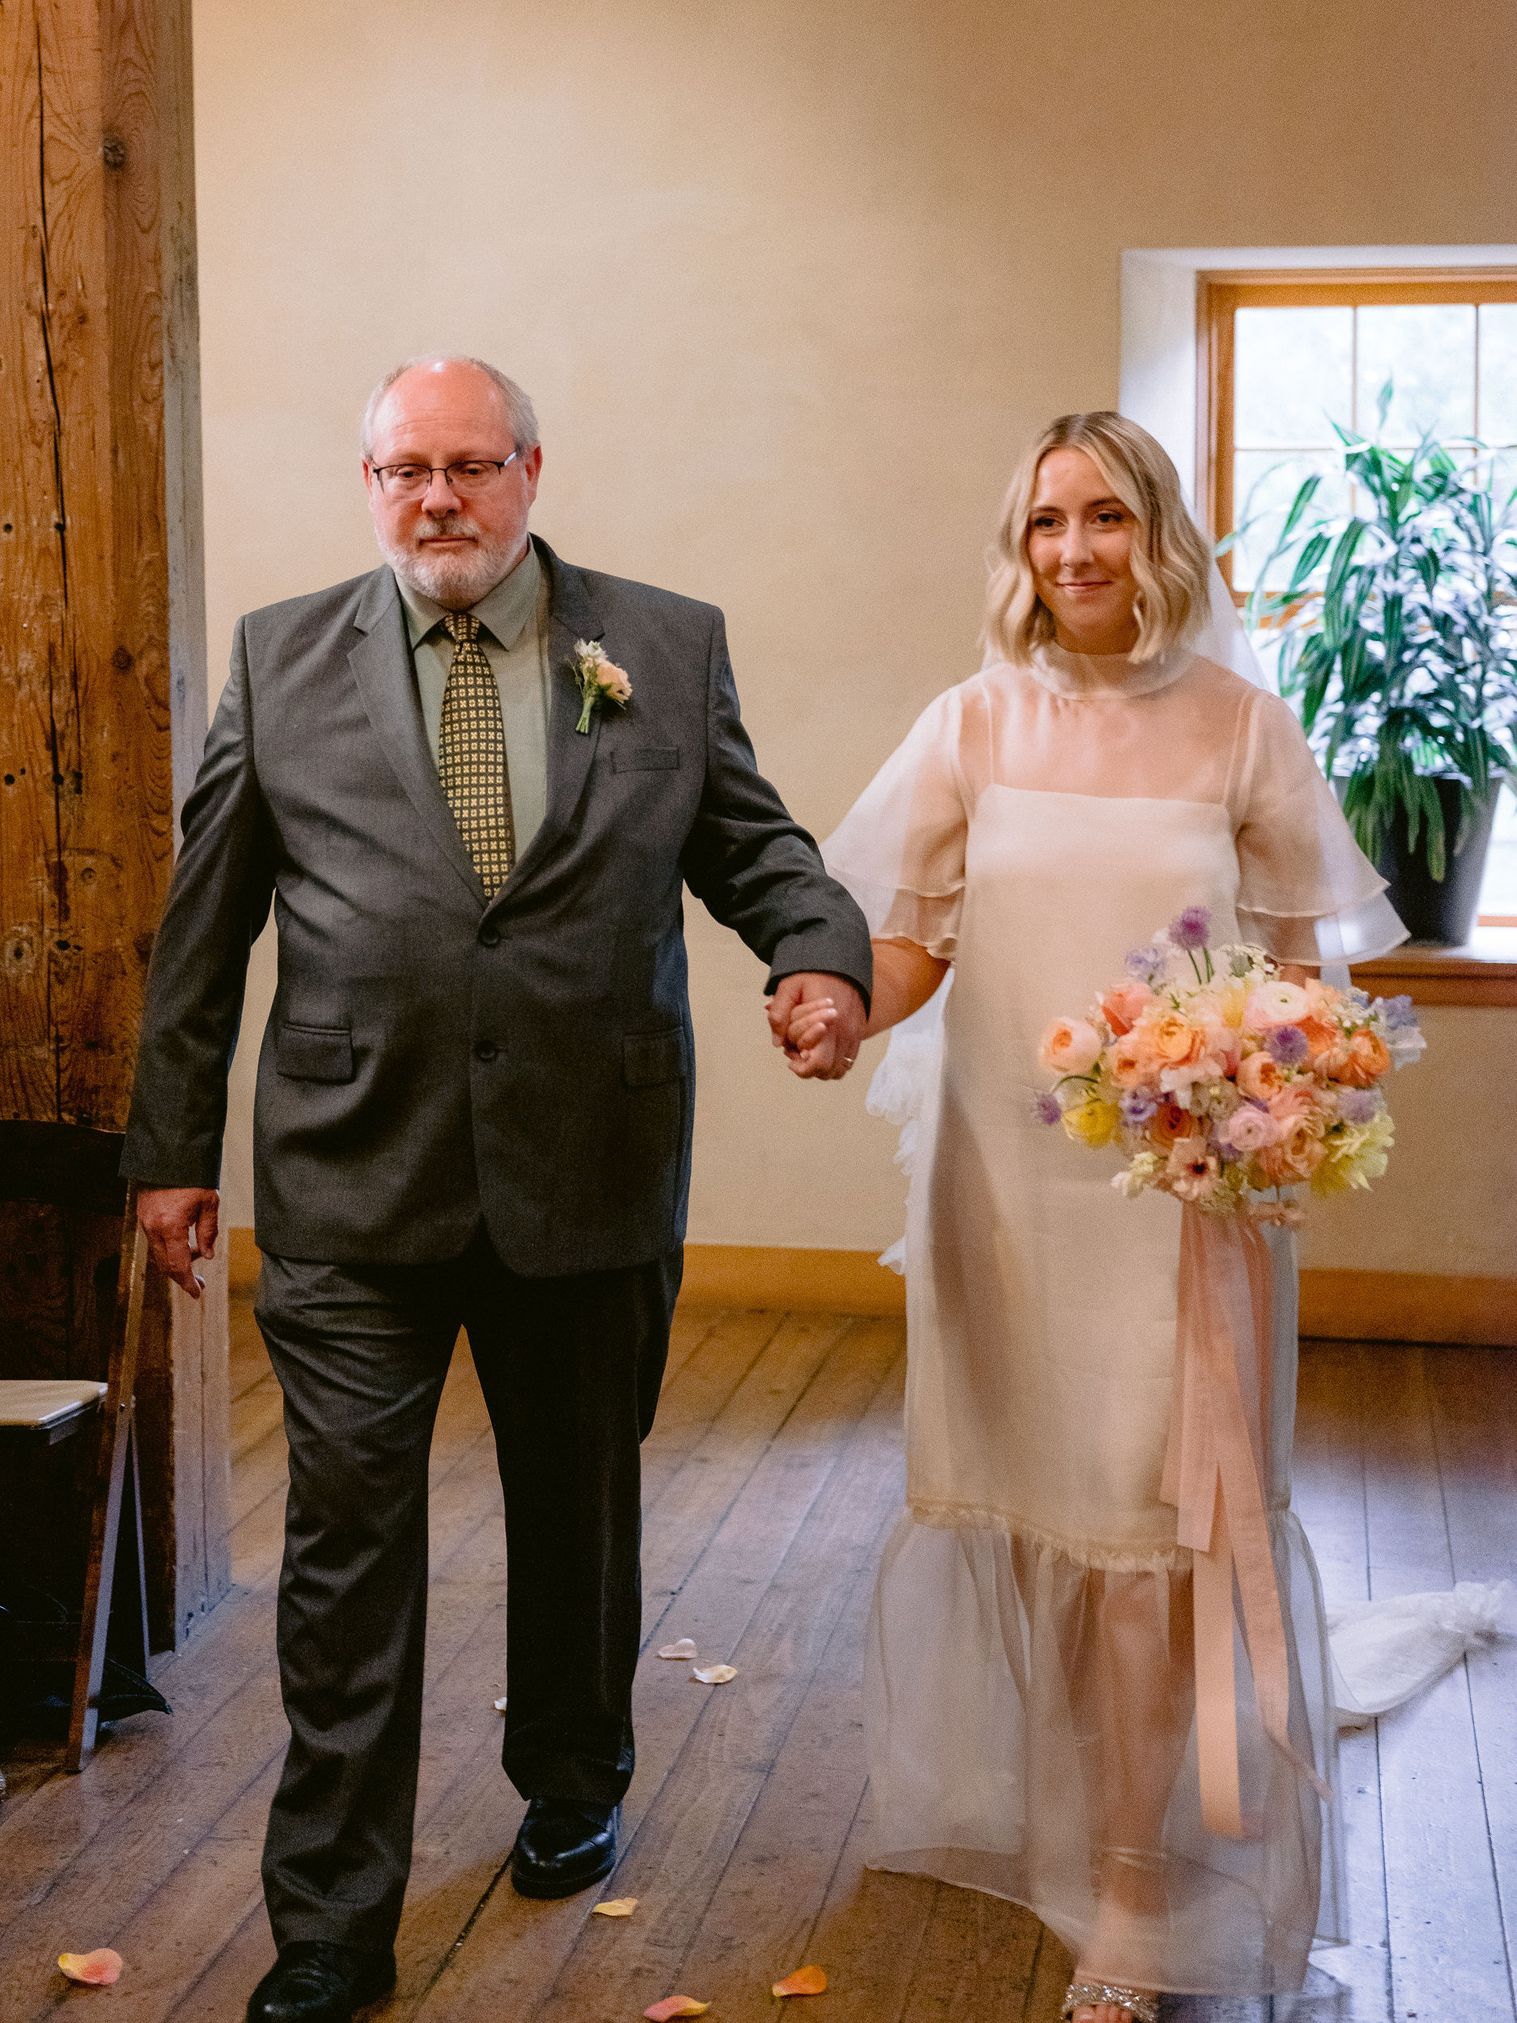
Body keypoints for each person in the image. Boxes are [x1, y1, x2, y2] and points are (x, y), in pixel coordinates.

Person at [123, 355, 870, 2023]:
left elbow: (752, 843)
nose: (437, 500)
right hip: (349, 1175)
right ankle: (328, 1916)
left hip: (588, 1171)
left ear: (533, 469)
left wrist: (819, 960)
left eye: (469, 465)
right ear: (367, 481)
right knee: (345, 1552)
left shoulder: (659, 645)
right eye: (403, 471)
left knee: (578, 1506)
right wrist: (170, 1149)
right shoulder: (280, 654)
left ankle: (572, 1773)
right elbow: (207, 923)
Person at [777, 413, 1405, 2022]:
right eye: (1048, 520)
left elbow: (1291, 977)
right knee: (1046, 1510)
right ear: (1020, 546)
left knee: (1151, 1530)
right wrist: (841, 1012)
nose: (1074, 549)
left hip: (1180, 1209)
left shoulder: (1239, 728)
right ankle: (1077, 1811)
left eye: (1106, 516)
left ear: (1158, 536)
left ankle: (1134, 1896)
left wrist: (1263, 1096)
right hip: (1006, 1184)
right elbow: (910, 944)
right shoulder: (971, 724)